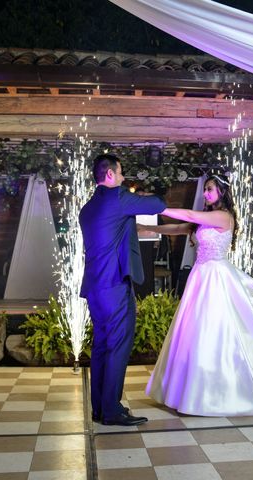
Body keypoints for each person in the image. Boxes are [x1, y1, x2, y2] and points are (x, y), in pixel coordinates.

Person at [140, 174, 253, 416]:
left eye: (210, 190)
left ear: (222, 193)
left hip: (216, 278)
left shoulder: (223, 216)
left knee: (215, 330)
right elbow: (178, 227)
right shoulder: (204, 219)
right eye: (205, 189)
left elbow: (188, 215)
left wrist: (157, 205)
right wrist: (148, 227)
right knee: (194, 330)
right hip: (200, 276)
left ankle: (220, 390)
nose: (206, 194)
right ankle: (191, 389)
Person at [79, 154, 166, 426]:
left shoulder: (87, 207)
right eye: (120, 174)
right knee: (117, 347)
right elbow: (158, 204)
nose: (123, 179)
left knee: (102, 347)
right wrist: (144, 194)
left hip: (94, 287)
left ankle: (100, 409)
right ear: (108, 176)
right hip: (115, 285)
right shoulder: (117, 199)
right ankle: (113, 410)